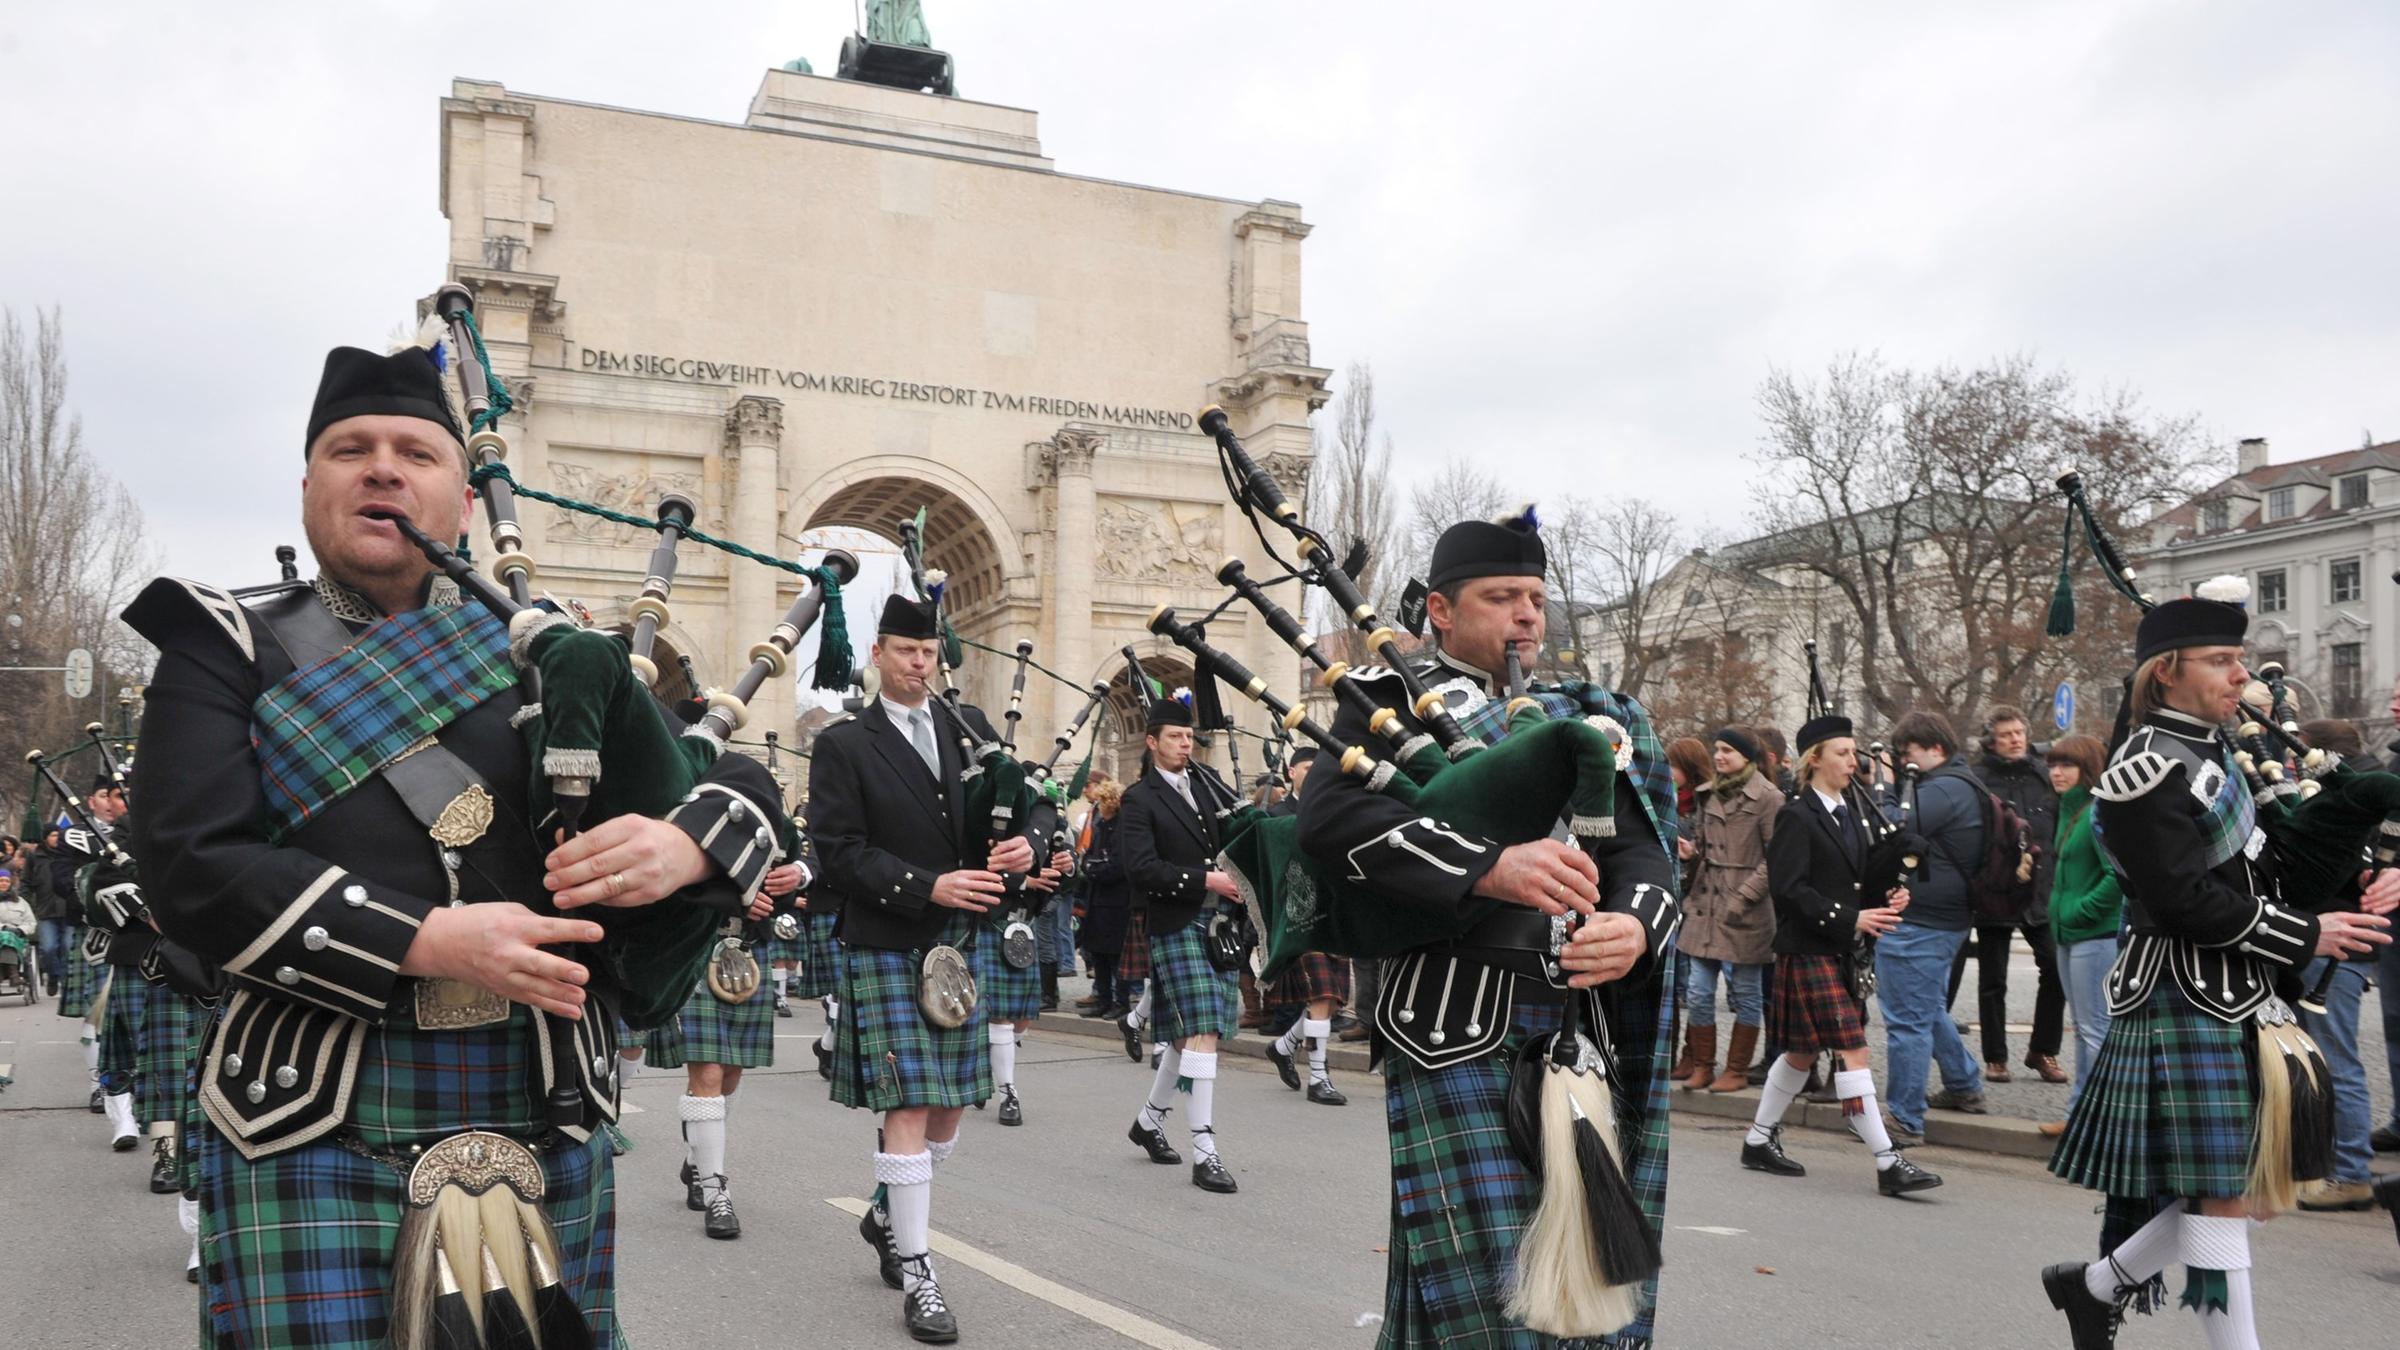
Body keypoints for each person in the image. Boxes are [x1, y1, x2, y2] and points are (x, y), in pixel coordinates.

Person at [125, 342, 785, 1348]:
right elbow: (188, 868)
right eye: (352, 449)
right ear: (310, 486)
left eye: (416, 452)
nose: (383, 467)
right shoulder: (225, 644)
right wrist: (427, 941)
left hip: (541, 1098)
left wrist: (688, 842)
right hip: (310, 1117)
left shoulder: (550, 651)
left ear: (462, 502)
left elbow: (724, 768)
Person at [1298, 513, 1680, 1348]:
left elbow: (1646, 855)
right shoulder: (1385, 698)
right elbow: (1329, 822)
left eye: (1536, 598)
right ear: (1440, 608)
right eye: (1502, 596)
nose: (1526, 616)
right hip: (1453, 1023)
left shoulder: (1600, 714)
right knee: (1492, 1297)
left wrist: (1635, 928)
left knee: (1559, 1301)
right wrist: (1487, 866)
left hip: (1579, 1029)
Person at [2041, 596, 2392, 1350]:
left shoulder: (2213, 753)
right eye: (2221, 662)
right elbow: (2180, 901)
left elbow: (2258, 871)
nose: (2241, 675)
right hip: (2183, 987)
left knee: (2249, 1188)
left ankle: (2093, 1286)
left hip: (2241, 988)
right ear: (2166, 672)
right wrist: (2306, 935)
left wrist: (2351, 868)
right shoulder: (2142, 771)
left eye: (2238, 661)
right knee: (2228, 1194)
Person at [809, 591, 1028, 1342]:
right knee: (905, 1108)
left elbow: (1023, 810)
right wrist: (924, 884)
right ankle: (920, 1270)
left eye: (929, 652)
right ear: (877, 655)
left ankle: (883, 1212)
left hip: (959, 943)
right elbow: (836, 853)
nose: (919, 663)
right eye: (906, 651)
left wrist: (1025, 846)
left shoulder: (968, 730)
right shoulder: (844, 745)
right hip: (888, 939)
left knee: (950, 1106)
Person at [1741, 713, 1941, 1194]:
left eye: (1854, 753)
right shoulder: (1796, 815)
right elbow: (1789, 891)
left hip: (1839, 951)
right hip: (1809, 948)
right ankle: (1888, 1161)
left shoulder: (1849, 812)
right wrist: (1852, 918)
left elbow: (1858, 879)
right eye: (1844, 753)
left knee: (1802, 1053)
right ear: (1815, 760)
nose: (1855, 762)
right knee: (1853, 1048)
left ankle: (1757, 1139)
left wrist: (1888, 895)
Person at [1117, 693, 1244, 1192]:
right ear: (1152, 743)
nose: (1185, 743)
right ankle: (1205, 1150)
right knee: (1204, 1031)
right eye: (1174, 736)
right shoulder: (1138, 799)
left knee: (1183, 1032)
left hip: (1219, 927)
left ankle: (1148, 1123)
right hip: (1176, 921)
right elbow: (1141, 869)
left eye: (1189, 736)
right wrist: (1206, 881)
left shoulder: (1207, 785)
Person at [651, 848, 804, 1239]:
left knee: (731, 1073)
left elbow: (798, 866)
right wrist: (734, 900)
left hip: (748, 951)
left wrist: (799, 874)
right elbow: (667, 873)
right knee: (709, 1070)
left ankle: (696, 1161)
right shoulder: (688, 803)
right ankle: (718, 1192)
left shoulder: (768, 814)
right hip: (696, 944)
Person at [2289, 717, 2391, 1212]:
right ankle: (2326, 1163)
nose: (2291, 762)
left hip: (2339, 944)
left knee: (2338, 1063)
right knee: (2321, 1061)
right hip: (2325, 939)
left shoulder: (2357, 800)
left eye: (2300, 753)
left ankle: (2350, 1172)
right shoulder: (2346, 796)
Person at [1881, 710, 1988, 1141]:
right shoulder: (1962, 783)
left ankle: (1905, 1118)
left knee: (1906, 1020)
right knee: (1926, 1007)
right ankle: (1964, 1085)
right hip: (1945, 919)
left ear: (1936, 749)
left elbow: (1893, 828)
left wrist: (1885, 784)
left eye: (1907, 753)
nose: (1902, 761)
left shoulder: (1944, 788)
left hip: (1922, 922)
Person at [1958, 706, 2068, 1085]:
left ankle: (2043, 1050)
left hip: (2042, 887)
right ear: (1991, 740)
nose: (2015, 739)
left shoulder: (2043, 773)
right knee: (1993, 978)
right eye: (2006, 734)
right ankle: (1995, 1057)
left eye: (2019, 732)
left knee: (2055, 968)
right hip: (1996, 889)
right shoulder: (1978, 778)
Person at [1677, 727, 1780, 1093]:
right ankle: (1703, 1065)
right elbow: (1706, 845)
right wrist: (1692, 852)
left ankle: (1736, 1069)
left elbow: (1775, 859)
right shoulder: (1710, 795)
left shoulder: (1769, 798)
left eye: (1727, 751)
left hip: (1745, 910)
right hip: (1705, 905)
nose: (1718, 756)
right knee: (1699, 991)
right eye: (1716, 749)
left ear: (1747, 758)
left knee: (1748, 993)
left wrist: (1743, 897)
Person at [1261, 747, 1350, 1106]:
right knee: (1322, 995)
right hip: (1298, 916)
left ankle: (1284, 1047)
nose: (1314, 774)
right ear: (1290, 771)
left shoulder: (1334, 809)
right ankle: (1319, 1077)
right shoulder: (1276, 813)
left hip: (1334, 911)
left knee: (1329, 999)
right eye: (1307, 767)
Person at [2042, 734, 2121, 1139]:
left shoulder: (2098, 811)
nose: (2056, 771)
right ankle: (2080, 1118)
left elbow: (2118, 875)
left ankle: (2099, 1125)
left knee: (2096, 1031)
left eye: (2066, 765)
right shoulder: (2069, 808)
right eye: (2053, 764)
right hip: (2070, 934)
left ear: (2087, 769)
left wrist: (2082, 909)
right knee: (2084, 1029)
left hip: (2095, 935)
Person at [1075, 778, 1132, 1019]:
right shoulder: (1101, 826)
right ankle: (1103, 998)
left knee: (1116, 955)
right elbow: (1089, 858)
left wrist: (1094, 868)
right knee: (1098, 953)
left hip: (1117, 901)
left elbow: (1117, 865)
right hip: (1097, 898)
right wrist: (1093, 867)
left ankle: (1121, 1002)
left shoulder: (1122, 828)